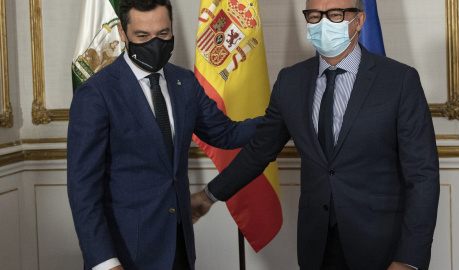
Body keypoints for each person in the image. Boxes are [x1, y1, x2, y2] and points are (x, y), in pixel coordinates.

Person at [191, 0, 440, 269]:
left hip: (381, 245)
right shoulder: (290, 81)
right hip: (318, 245)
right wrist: (208, 196)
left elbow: (422, 174)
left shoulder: (399, 80)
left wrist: (409, 259)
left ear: (359, 21)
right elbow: (258, 152)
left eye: (334, 15)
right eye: (314, 15)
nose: (322, 23)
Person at [67, 0, 260, 269]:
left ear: (171, 29)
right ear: (123, 34)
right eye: (142, 36)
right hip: (125, 253)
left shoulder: (185, 82)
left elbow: (226, 134)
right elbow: (83, 189)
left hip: (179, 246)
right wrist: (104, 262)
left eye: (162, 34)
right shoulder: (96, 93)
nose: (154, 43)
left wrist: (284, 116)